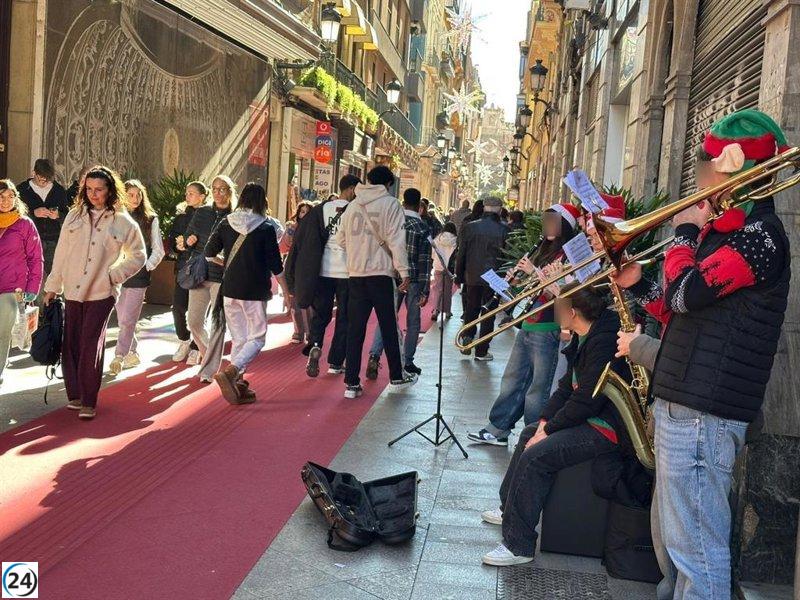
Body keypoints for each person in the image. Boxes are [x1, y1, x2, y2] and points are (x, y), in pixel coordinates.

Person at [613, 109, 791, 599]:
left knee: (697, 550)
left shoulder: (760, 238)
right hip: (689, 401)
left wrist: (686, 234)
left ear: (735, 171)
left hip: (705, 410)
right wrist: (639, 283)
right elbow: (680, 314)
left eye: (706, 171)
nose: (700, 184)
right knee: (680, 545)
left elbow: (685, 295)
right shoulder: (731, 232)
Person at [479, 284, 626, 566]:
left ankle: (518, 545)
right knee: (528, 433)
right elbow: (566, 387)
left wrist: (547, 431)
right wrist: (543, 424)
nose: (554, 312)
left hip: (604, 428)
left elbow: (586, 400)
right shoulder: (584, 336)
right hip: (588, 418)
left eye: (558, 307)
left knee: (536, 455)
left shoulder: (603, 341)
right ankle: (508, 507)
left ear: (572, 313)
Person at [468, 203, 579, 445]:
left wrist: (533, 271)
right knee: (512, 380)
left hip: (549, 327)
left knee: (538, 389)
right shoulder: (541, 250)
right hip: (528, 322)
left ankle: (533, 435)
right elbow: (528, 289)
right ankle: (498, 428)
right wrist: (510, 283)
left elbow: (564, 295)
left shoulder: (569, 255)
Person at [42, 166, 146, 420]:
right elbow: (61, 253)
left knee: (90, 343)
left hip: (102, 292)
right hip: (72, 289)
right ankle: (75, 395)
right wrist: (52, 287)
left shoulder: (123, 221)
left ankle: (89, 400)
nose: (93, 194)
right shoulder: (73, 216)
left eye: (99, 189)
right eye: (88, 189)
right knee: (71, 342)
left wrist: (113, 276)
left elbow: (139, 255)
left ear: (110, 190)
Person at [335, 166, 417, 399]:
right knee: (388, 326)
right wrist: (404, 271)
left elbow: (340, 239)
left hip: (355, 275)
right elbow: (397, 240)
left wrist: (358, 251)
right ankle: (396, 377)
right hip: (381, 274)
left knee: (356, 329)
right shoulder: (390, 204)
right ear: (388, 184)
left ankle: (351, 383)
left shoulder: (353, 205)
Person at [204, 183, 289, 404]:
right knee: (257, 338)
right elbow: (276, 266)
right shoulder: (266, 227)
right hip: (255, 290)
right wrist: (287, 292)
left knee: (240, 338)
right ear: (262, 201)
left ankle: (238, 384)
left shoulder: (226, 222)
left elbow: (208, 253)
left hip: (230, 288)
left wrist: (226, 264)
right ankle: (232, 372)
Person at [286, 175, 360, 377]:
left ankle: (316, 344)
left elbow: (301, 240)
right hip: (347, 272)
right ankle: (336, 362)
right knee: (344, 317)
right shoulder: (356, 211)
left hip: (322, 271)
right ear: (351, 189)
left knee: (321, 314)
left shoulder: (319, 210)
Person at [365, 188, 432, 378]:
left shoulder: (393, 222)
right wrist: (425, 289)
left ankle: (374, 356)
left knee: (386, 317)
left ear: (403, 202)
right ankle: (407, 361)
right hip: (414, 279)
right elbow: (425, 261)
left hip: (392, 276)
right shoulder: (422, 228)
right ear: (419, 206)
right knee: (413, 322)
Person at [108, 180, 164, 374]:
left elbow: (158, 250)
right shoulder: (115, 217)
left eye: (138, 194)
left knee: (128, 320)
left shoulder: (151, 219)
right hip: (118, 274)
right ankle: (132, 352)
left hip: (139, 276)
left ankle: (119, 355)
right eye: (130, 194)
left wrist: (146, 266)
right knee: (123, 319)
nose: (135, 198)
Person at [182, 175, 235, 368]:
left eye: (222, 189)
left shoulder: (235, 216)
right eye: (215, 189)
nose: (218, 193)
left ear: (230, 191)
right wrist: (189, 240)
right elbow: (188, 236)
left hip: (221, 274)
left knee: (218, 323)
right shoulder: (202, 212)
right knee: (194, 322)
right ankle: (207, 354)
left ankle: (210, 368)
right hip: (199, 272)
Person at [455, 195, 509, 360]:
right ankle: (482, 350)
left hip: (473, 274)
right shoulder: (505, 229)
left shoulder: (470, 227)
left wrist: (459, 274)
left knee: (471, 308)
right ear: (500, 210)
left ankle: (467, 337)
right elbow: (508, 257)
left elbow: (461, 253)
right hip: (495, 277)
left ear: (484, 208)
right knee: (489, 313)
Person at [0, 180, 43, 386]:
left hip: (12, 288)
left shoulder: (24, 224)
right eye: (1, 197)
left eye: (10, 197)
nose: (6, 201)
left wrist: (33, 288)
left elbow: (36, 258)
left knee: (2, 331)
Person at [168, 181, 208, 362]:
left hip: (203, 269)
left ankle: (196, 347)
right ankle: (184, 340)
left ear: (202, 196)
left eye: (192, 193)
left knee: (197, 312)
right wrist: (178, 247)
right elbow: (172, 242)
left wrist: (194, 244)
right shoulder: (181, 217)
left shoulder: (209, 216)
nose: (187, 196)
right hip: (184, 269)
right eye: (187, 193)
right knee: (178, 307)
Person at [17, 159, 69, 293]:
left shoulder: (58, 190)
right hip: (29, 241)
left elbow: (68, 216)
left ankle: (53, 304)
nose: (44, 182)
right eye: (41, 179)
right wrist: (33, 214)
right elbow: (16, 215)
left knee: (55, 277)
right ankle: (34, 304)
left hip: (53, 240)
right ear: (33, 173)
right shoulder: (22, 190)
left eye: (47, 180)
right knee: (31, 276)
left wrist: (58, 215)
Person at [282, 201, 314, 344]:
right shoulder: (293, 228)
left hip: (307, 267)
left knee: (307, 303)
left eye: (307, 212)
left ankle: (310, 332)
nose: (304, 214)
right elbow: (285, 245)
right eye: (302, 211)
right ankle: (298, 331)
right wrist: (290, 231)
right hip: (292, 266)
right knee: (294, 301)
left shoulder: (315, 229)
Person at [430, 221, 458, 321]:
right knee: (447, 290)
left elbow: (432, 254)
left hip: (438, 266)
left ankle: (435, 310)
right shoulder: (456, 240)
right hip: (449, 268)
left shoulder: (438, 238)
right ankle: (447, 311)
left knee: (437, 289)